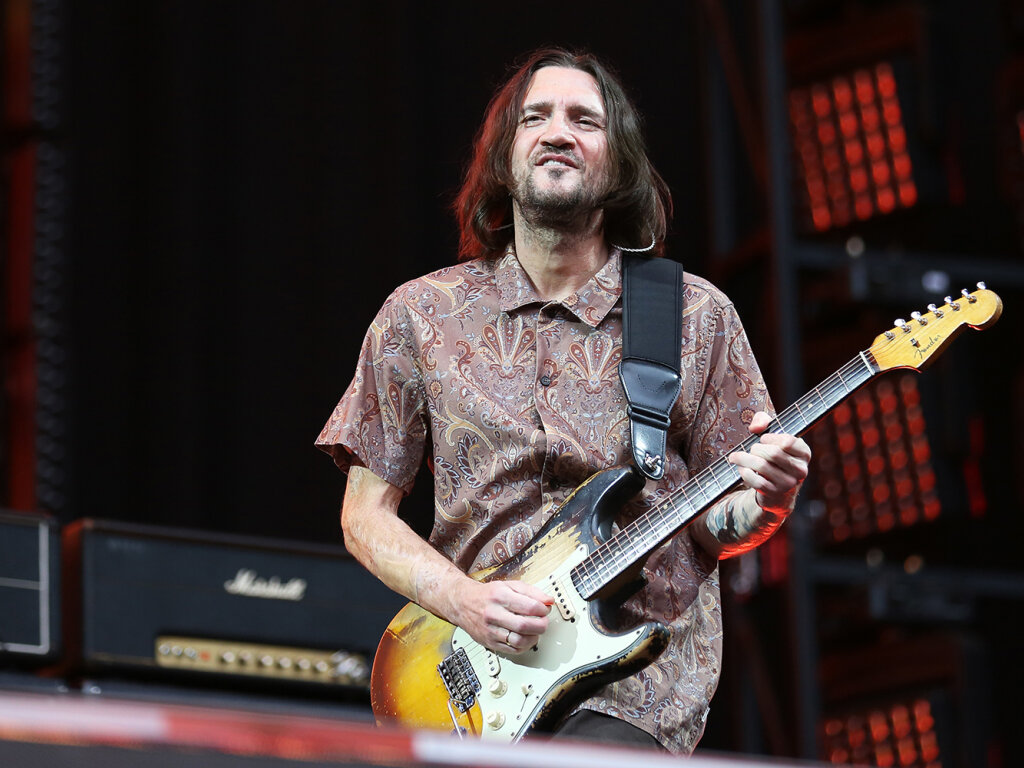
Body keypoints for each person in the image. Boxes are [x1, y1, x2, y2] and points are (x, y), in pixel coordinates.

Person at [316, 47, 811, 754]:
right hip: (473, 687)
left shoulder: (693, 316)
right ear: (503, 156)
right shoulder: (420, 315)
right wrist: (464, 600)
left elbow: (719, 524)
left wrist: (769, 502)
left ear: (619, 162)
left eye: (585, 120)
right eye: (535, 118)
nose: (558, 133)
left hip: (633, 693)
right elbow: (364, 516)